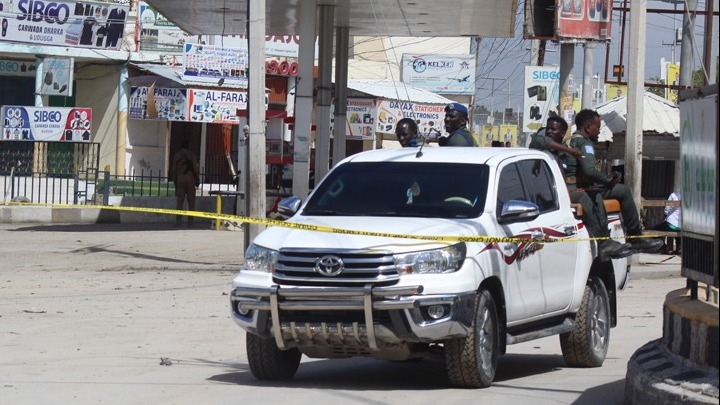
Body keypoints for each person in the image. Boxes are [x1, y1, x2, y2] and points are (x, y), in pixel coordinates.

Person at [529, 116, 632, 261]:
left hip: (560, 191)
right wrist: (570, 150)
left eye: (553, 129)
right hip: (546, 193)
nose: (549, 131)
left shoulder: (562, 152)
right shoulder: (544, 146)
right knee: (582, 197)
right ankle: (603, 242)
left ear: (562, 133)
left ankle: (606, 239)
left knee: (593, 194)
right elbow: (538, 141)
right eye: (548, 128)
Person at [566, 109, 662, 253]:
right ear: (588, 128)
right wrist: (608, 181)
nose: (599, 131)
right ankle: (634, 237)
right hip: (580, 189)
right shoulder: (585, 144)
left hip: (572, 187)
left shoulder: (570, 141)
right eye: (597, 127)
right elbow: (589, 171)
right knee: (623, 191)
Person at [173, 139, 200, 226]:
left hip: (180, 181)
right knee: (191, 202)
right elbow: (195, 168)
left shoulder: (177, 156)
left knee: (179, 202)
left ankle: (178, 220)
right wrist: (197, 180)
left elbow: (174, 170)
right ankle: (190, 221)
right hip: (191, 181)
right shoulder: (191, 155)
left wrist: (175, 181)